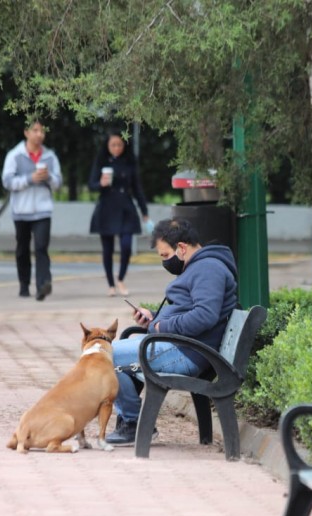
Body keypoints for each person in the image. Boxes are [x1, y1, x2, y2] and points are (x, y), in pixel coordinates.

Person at [106, 218, 238, 446]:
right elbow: (186, 311)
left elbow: (204, 316)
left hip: (187, 352)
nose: (165, 262)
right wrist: (153, 320)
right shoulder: (199, 266)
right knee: (104, 353)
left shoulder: (208, 269)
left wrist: (162, 326)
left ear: (182, 248)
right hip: (179, 346)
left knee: (103, 355)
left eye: (165, 256)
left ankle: (133, 422)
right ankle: (131, 420)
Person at [2, 119, 62, 301]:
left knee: (41, 247)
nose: (39, 134)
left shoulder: (50, 157)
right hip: (21, 211)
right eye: (35, 130)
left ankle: (43, 284)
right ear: (26, 132)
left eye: (42, 131)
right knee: (22, 249)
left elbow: (59, 183)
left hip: (43, 211)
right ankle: (23, 285)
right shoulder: (15, 155)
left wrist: (48, 177)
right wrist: (30, 178)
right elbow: (7, 182)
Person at [87, 131, 151, 297]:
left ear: (124, 145)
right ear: (107, 146)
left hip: (126, 207)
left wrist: (144, 211)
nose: (116, 148)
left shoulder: (130, 161)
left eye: (119, 145)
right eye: (113, 145)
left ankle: (121, 278)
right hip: (106, 207)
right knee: (107, 248)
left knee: (126, 245)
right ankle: (110, 284)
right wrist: (101, 183)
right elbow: (91, 185)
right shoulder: (101, 161)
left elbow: (137, 188)